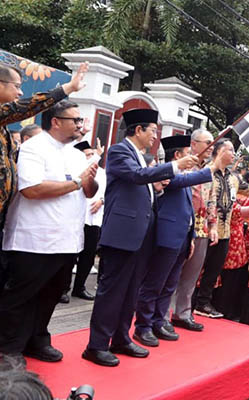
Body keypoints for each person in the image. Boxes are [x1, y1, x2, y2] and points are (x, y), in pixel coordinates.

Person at [83, 109, 198, 367]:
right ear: (138, 130)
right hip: (122, 235)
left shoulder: (141, 156)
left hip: (141, 235)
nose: (155, 137)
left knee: (131, 291)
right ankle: (97, 345)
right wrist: (174, 166)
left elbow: (145, 186)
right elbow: (137, 177)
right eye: (153, 131)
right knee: (112, 292)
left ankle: (121, 337)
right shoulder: (119, 151)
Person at [0, 100, 98, 367]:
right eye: (75, 120)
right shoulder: (34, 148)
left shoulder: (77, 153)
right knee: (20, 296)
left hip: (67, 240)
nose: (81, 125)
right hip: (34, 240)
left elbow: (89, 191)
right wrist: (76, 181)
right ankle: (8, 347)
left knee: (52, 293)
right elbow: (32, 190)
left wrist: (89, 175)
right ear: (55, 121)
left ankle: (37, 339)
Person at [0, 62, 88, 297]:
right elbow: (21, 108)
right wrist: (66, 88)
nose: (20, 93)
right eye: (16, 86)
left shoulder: (4, 130)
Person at [132, 135, 217, 347]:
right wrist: (214, 167)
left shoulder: (183, 175)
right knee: (154, 283)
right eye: (187, 153)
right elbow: (180, 181)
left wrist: (191, 237)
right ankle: (143, 326)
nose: (190, 157)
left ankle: (159, 320)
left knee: (169, 284)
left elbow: (189, 209)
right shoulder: (166, 174)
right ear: (177, 156)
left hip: (182, 237)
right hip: (166, 237)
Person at [171, 129, 216, 332]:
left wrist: (213, 225)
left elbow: (211, 199)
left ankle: (183, 313)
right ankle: (161, 315)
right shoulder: (183, 164)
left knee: (192, 274)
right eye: (207, 142)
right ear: (194, 144)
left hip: (202, 228)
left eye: (213, 143)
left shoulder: (208, 170)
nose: (211, 147)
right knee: (172, 272)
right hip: (182, 226)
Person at [193, 139, 238, 319]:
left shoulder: (232, 177)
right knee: (197, 267)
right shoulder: (207, 172)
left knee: (213, 270)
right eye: (230, 150)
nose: (233, 154)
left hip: (224, 230)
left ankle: (203, 302)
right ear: (219, 152)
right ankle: (188, 302)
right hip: (205, 229)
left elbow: (247, 192)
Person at [212, 186, 249, 322]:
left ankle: (227, 310)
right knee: (227, 281)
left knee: (232, 281)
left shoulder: (236, 201)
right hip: (232, 246)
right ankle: (224, 310)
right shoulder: (229, 204)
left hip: (237, 247)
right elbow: (248, 206)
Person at [68, 141, 106, 302]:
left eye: (92, 154)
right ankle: (63, 288)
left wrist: (101, 201)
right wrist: (97, 155)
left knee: (88, 255)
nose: (92, 158)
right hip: (77, 217)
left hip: (94, 219)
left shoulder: (102, 173)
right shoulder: (75, 169)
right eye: (88, 155)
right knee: (70, 256)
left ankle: (79, 287)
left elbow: (107, 190)